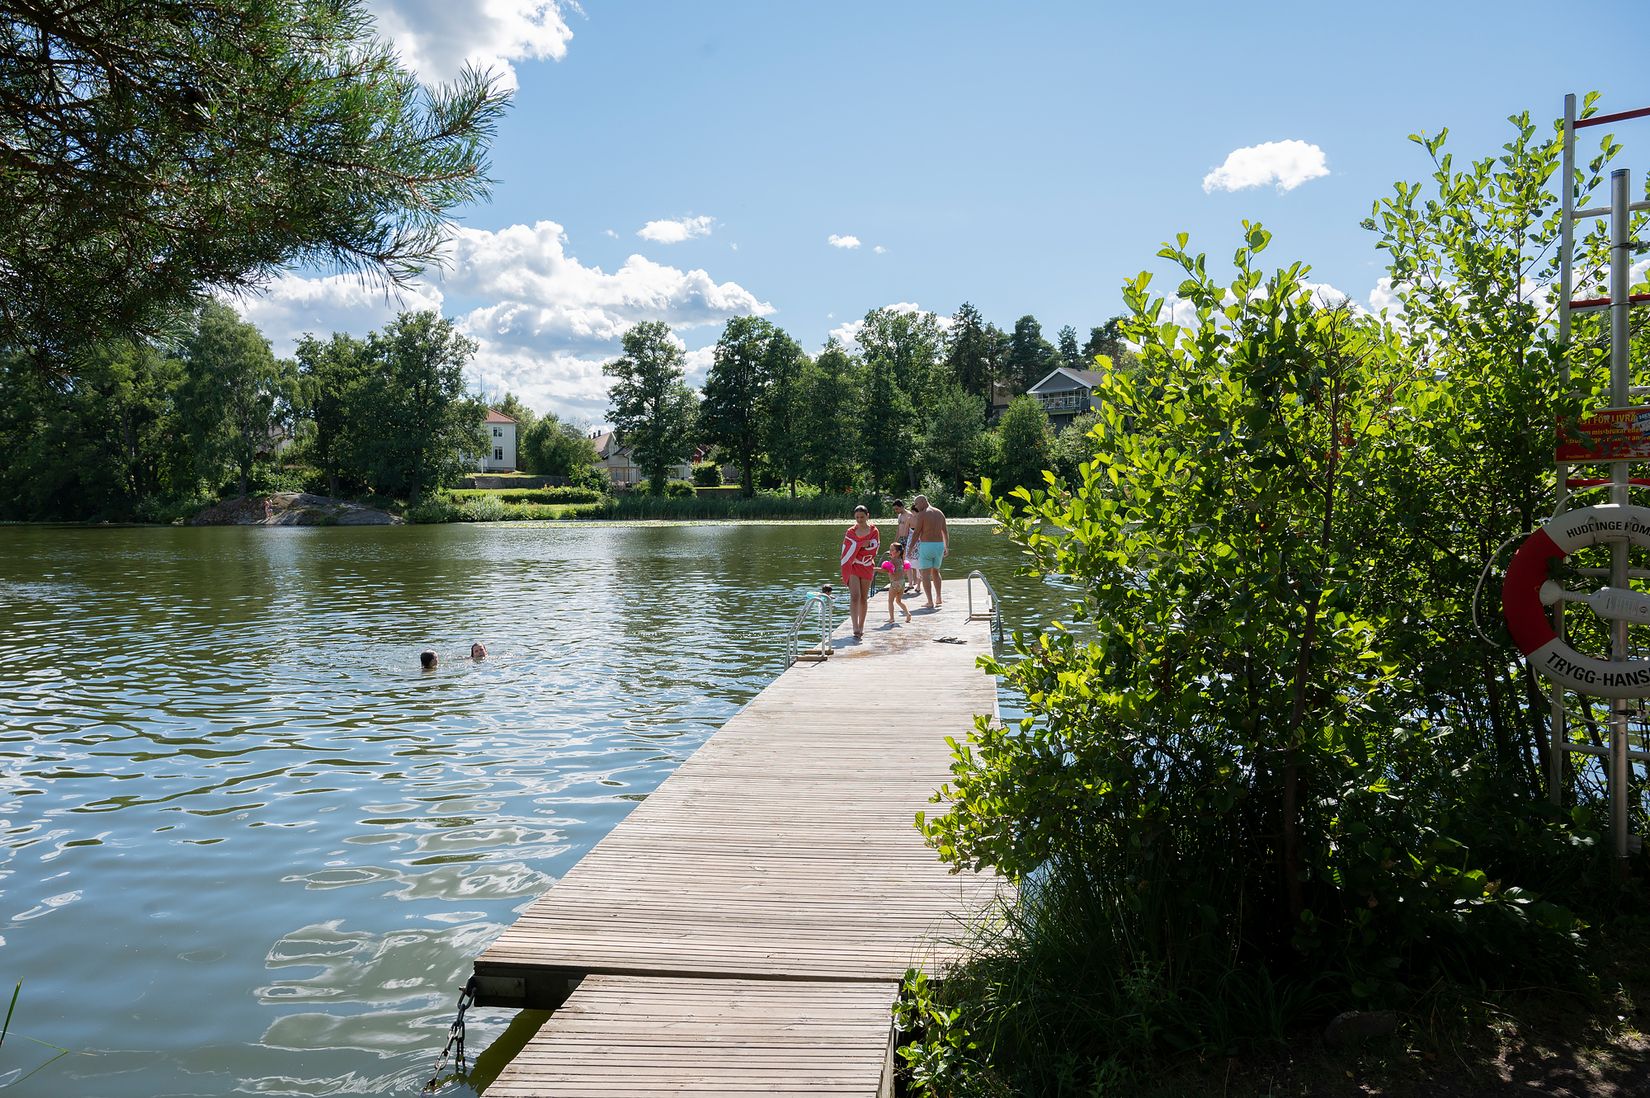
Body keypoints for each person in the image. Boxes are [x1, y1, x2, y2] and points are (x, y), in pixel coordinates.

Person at [839, 504, 880, 639]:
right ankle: (855, 626)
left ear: (867, 516)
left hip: (867, 565)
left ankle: (861, 626)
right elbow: (846, 550)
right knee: (855, 596)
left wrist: (862, 546)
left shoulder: (874, 531)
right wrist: (860, 545)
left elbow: (874, 547)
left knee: (863, 597)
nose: (860, 519)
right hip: (853, 566)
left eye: (862, 517)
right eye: (857, 517)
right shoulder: (850, 532)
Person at [912, 494, 948, 608]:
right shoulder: (940, 513)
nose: (916, 507)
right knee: (936, 572)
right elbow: (945, 532)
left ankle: (930, 601)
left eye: (916, 504)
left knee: (925, 574)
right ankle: (939, 598)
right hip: (939, 546)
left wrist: (909, 548)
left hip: (926, 545)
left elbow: (916, 532)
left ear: (923, 502)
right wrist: (946, 547)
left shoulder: (922, 514)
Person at [881, 543, 914, 624]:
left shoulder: (893, 561)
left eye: (892, 550)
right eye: (890, 549)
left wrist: (874, 569)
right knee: (898, 601)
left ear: (898, 552)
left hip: (895, 583)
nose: (890, 551)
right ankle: (907, 613)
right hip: (902, 583)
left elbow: (886, 570)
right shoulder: (901, 560)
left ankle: (891, 618)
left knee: (890, 601)